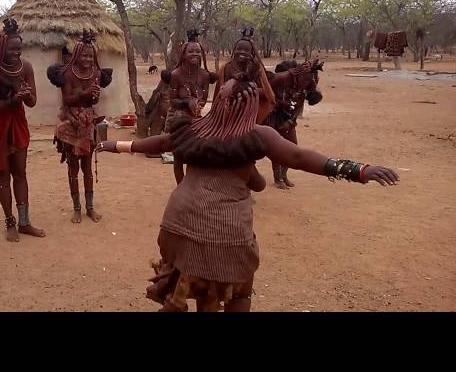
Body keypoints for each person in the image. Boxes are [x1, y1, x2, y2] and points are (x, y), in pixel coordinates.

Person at [97, 77, 399, 312]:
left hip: (176, 224)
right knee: (239, 289)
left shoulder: (196, 127)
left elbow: (160, 143)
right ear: (252, 104)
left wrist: (118, 146)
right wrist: (356, 170)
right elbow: (298, 158)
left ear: (220, 101)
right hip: (222, 231)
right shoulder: (259, 135)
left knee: (194, 279)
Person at [0, 17, 45, 241]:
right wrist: (14, 99)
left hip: (16, 121)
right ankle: (10, 222)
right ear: (2, 48)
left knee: (20, 172)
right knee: (3, 172)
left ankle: (24, 222)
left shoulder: (26, 67)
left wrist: (26, 95)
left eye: (19, 49)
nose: (17, 53)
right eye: (12, 49)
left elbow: (32, 102)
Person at [48, 30, 113, 224]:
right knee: (73, 167)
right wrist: (85, 93)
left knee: (87, 167)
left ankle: (90, 208)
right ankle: (77, 208)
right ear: (76, 55)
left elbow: (93, 100)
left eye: (91, 55)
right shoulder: (67, 73)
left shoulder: (96, 73)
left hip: (87, 122)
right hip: (70, 121)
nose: (88, 58)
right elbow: (67, 99)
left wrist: (94, 94)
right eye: (84, 55)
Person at [162, 28, 216, 183]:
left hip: (196, 119)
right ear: (183, 54)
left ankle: (193, 187)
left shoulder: (204, 75)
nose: (195, 55)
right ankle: (181, 187)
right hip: (178, 120)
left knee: (196, 154)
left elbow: (204, 98)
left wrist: (197, 105)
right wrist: (187, 102)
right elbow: (172, 101)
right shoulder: (176, 75)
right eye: (191, 52)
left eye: (198, 52)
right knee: (179, 156)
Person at [264, 59, 324, 189]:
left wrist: (291, 122)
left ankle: (284, 176)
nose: (310, 83)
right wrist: (280, 104)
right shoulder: (281, 82)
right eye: (308, 80)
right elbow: (268, 97)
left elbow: (299, 107)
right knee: (277, 149)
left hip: (289, 121)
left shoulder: (303, 89)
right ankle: (278, 178)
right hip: (274, 118)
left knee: (292, 147)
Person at [212, 28, 275, 124]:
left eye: (246, 50)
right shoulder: (226, 67)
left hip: (251, 113)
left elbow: (266, 93)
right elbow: (219, 92)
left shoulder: (256, 68)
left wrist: (247, 90)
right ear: (234, 50)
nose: (242, 52)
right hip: (228, 111)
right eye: (239, 49)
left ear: (251, 53)